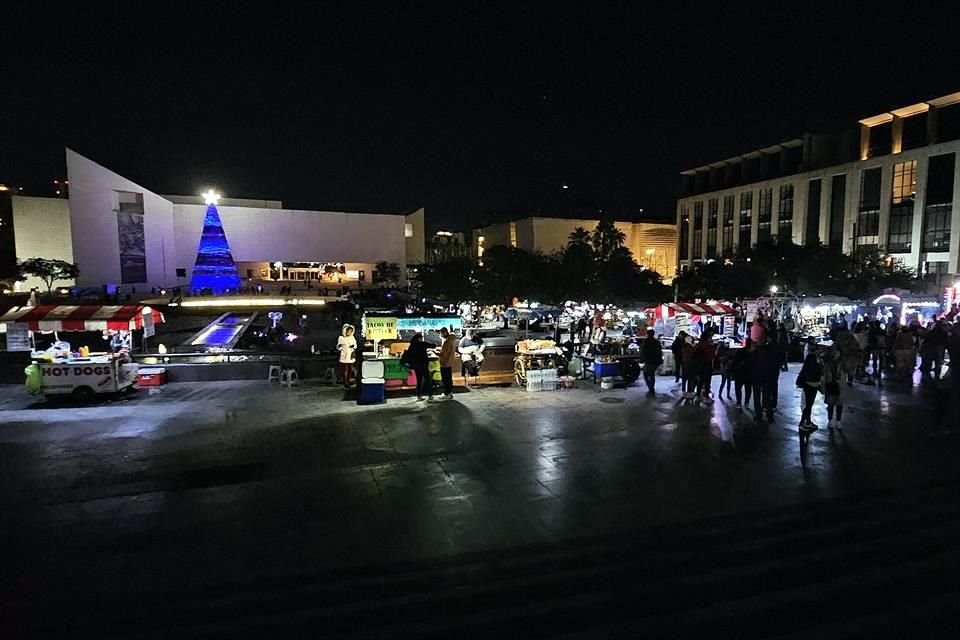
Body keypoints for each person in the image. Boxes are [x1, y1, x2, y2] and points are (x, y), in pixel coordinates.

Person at [401, 333, 433, 401]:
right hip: (423, 365)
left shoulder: (411, 345)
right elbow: (433, 345)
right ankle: (430, 396)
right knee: (428, 380)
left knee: (419, 380)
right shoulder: (422, 344)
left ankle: (419, 396)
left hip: (416, 366)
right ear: (419, 338)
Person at [797, 351, 823, 432]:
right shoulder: (814, 362)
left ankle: (806, 421)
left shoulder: (812, 361)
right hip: (810, 385)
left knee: (808, 405)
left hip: (810, 385)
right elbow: (815, 374)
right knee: (808, 405)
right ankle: (804, 423)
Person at [821, 347, 845, 430]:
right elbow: (824, 375)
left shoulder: (842, 363)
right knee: (830, 403)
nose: (837, 354)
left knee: (839, 403)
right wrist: (823, 386)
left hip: (840, 385)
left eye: (838, 352)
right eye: (835, 352)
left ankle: (838, 421)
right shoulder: (828, 363)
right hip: (830, 384)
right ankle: (830, 420)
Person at [731, 339, 755, 411]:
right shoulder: (753, 353)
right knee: (748, 389)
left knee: (738, 388)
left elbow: (734, 362)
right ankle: (746, 403)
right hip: (749, 374)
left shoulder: (739, 351)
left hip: (739, 373)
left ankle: (739, 403)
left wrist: (733, 371)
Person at [693, 332, 717, 403]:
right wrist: (713, 347)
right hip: (706, 365)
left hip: (699, 366)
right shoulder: (708, 345)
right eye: (710, 337)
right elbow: (712, 356)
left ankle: (698, 395)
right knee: (707, 382)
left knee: (700, 381)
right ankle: (706, 397)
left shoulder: (699, 344)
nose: (711, 338)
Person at [641, 329, 663, 397]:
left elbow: (643, 351)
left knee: (646, 374)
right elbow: (660, 352)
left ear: (648, 334)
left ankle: (650, 388)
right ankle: (651, 388)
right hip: (655, 361)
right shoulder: (657, 342)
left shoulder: (646, 341)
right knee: (651, 374)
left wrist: (642, 359)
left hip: (649, 361)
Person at [438, 327, 457, 399]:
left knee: (445, 379)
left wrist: (434, 352)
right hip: (449, 362)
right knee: (448, 378)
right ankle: (449, 392)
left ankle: (447, 393)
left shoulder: (447, 342)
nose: (440, 335)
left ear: (444, 333)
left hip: (444, 363)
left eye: (441, 333)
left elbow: (443, 354)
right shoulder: (451, 340)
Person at [336, 324, 357, 388]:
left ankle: (348, 380)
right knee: (345, 370)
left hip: (350, 355)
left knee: (350, 369)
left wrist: (353, 347)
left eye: (351, 331)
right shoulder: (341, 338)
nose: (349, 332)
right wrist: (340, 347)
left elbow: (355, 345)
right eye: (348, 331)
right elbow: (338, 347)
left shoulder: (352, 337)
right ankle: (345, 382)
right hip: (344, 356)